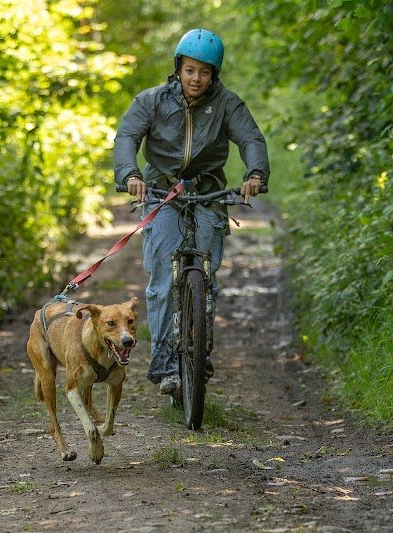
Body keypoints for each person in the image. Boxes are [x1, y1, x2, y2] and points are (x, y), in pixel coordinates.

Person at [113, 28, 270, 395]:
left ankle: (201, 352)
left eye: (204, 72)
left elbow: (250, 138)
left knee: (205, 277)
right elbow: (126, 138)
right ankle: (165, 364)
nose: (195, 78)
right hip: (160, 191)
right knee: (164, 282)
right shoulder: (152, 101)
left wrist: (256, 174)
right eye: (189, 70)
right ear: (178, 68)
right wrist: (130, 174)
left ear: (214, 74)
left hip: (208, 191)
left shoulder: (228, 104)